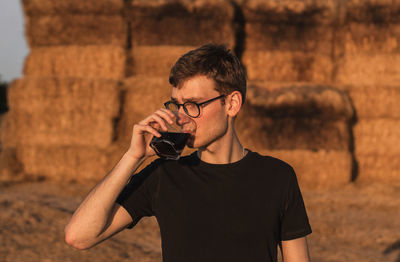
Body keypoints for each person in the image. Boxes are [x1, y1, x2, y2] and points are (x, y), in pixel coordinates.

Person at [64, 43, 312, 262]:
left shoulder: (277, 177)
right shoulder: (164, 175)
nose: (181, 117)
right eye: (177, 105)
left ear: (232, 104)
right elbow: (79, 237)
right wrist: (132, 157)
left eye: (193, 105)